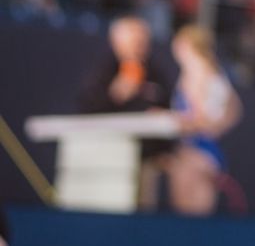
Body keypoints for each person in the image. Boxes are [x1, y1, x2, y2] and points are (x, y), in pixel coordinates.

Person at [78, 14, 174, 211]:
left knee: (143, 204)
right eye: (134, 42)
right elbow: (86, 108)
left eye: (143, 42)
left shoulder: (156, 72)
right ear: (117, 42)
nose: (139, 47)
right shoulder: (104, 71)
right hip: (105, 155)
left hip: (146, 156)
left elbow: (168, 111)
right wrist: (117, 93)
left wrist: (165, 150)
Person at [165, 22, 243, 215]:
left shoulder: (197, 73)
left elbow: (197, 117)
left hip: (197, 150)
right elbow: (234, 110)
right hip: (204, 149)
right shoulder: (213, 71)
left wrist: (175, 122)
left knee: (189, 211)